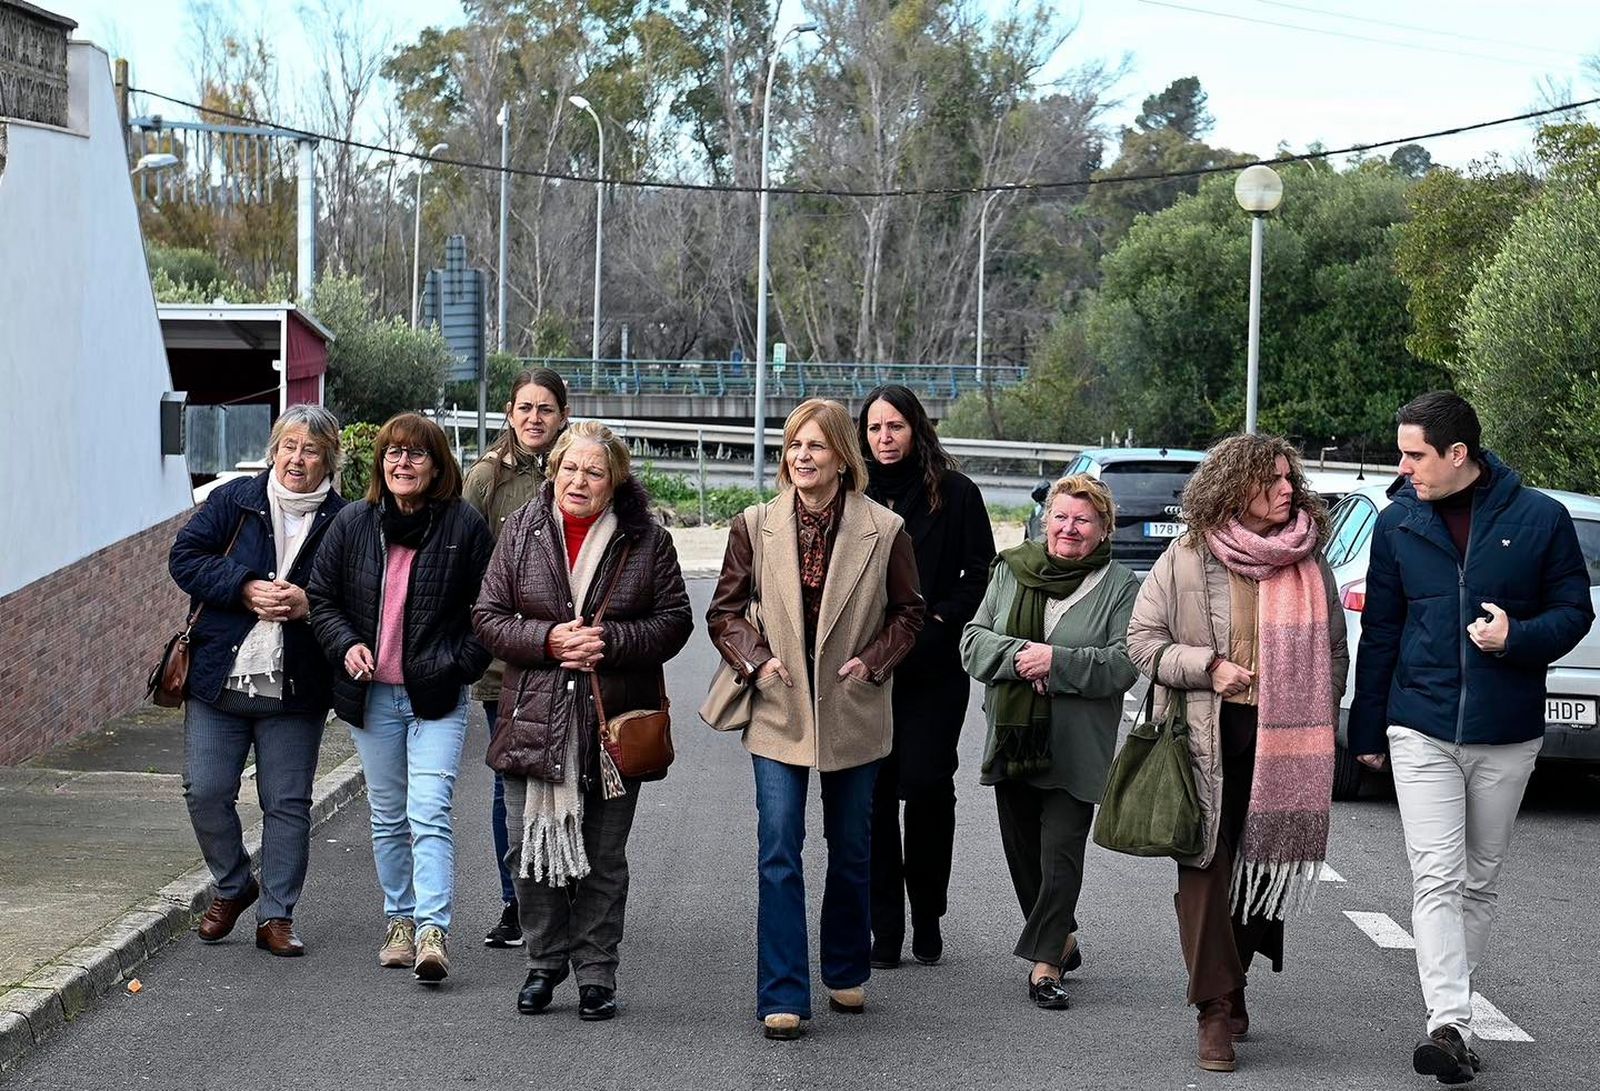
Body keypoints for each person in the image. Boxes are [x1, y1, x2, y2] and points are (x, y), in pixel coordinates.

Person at [1348, 392, 1593, 1085]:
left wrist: (1518, 637)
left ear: (1458, 454)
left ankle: (1453, 1016)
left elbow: (1574, 611)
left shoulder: (1540, 518)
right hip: (1419, 723)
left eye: (1415, 454)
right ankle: (1450, 1021)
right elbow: (1382, 630)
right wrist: (1366, 726)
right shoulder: (1397, 523)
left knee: (1478, 880)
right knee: (1437, 874)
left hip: (1506, 729)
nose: (1403, 467)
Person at [1126, 433, 1347, 1074]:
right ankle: (1215, 1010)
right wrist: (1208, 667)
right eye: (1270, 480)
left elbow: (1335, 651)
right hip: (1205, 735)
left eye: (1288, 478)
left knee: (1260, 872)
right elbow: (1142, 642)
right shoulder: (1187, 557)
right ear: (1233, 486)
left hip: (1285, 745)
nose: (1286, 489)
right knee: (1204, 872)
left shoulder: (1309, 559)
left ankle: (1234, 976)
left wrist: (1315, 710)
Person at [706, 398, 924, 1040]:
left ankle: (846, 968)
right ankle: (782, 992)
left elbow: (910, 612)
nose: (803, 456)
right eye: (794, 445)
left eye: (816, 446)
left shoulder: (885, 528)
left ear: (842, 458)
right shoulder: (754, 524)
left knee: (852, 848)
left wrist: (872, 663)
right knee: (778, 848)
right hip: (778, 702)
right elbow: (724, 613)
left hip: (852, 704)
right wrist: (757, 660)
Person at [474, 419, 691, 1020]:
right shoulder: (521, 530)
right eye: (570, 467)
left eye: (594, 472)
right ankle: (543, 964)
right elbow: (487, 616)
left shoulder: (647, 540)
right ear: (554, 470)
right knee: (527, 852)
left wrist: (609, 642)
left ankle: (596, 973)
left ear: (615, 481)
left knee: (603, 858)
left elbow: (675, 621)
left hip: (610, 724)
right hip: (532, 719)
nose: (579, 479)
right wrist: (548, 640)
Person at [308, 412, 494, 984]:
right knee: (388, 817)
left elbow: (491, 608)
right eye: (393, 453)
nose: (402, 463)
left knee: (428, 810)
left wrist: (458, 665)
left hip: (435, 697)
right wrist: (346, 645)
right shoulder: (353, 523)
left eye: (416, 454)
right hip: (372, 698)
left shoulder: (464, 526)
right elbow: (321, 598)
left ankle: (433, 931)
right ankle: (400, 920)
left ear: (437, 466)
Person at [168, 405, 348, 957]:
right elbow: (184, 558)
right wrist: (244, 586)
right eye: (289, 446)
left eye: (311, 449)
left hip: (296, 688)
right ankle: (233, 884)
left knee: (286, 802)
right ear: (274, 450)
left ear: (329, 460)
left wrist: (310, 606)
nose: (297, 458)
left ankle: (276, 916)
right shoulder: (235, 500)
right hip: (219, 679)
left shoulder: (347, 520)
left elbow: (364, 596)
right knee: (205, 790)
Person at [960, 474, 1139, 1010]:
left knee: (1060, 851)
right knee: (1024, 855)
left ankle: (1045, 966)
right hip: (1013, 738)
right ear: (1045, 520)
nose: (1069, 528)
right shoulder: (1010, 569)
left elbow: (1125, 662)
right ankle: (1060, 936)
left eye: (1083, 520)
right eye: (1060, 517)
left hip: (1077, 745)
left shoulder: (1121, 586)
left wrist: (1057, 663)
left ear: (1104, 529)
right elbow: (972, 641)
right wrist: (1020, 657)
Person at [857, 384, 994, 968]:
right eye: (874, 428)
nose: (884, 438)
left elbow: (980, 572)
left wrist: (938, 622)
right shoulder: (851, 491)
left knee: (928, 788)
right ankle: (884, 927)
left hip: (933, 666)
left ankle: (928, 912)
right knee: (873, 797)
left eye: (895, 426)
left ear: (916, 429)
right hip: (865, 669)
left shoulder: (955, 492)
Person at [463, 367, 571, 949]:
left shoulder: (578, 468)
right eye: (525, 408)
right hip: (505, 663)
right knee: (512, 781)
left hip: (572, 660)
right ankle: (516, 902)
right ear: (509, 413)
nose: (534, 418)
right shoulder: (485, 478)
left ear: (562, 416)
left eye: (545, 409)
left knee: (568, 776)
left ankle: (565, 889)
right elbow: (464, 566)